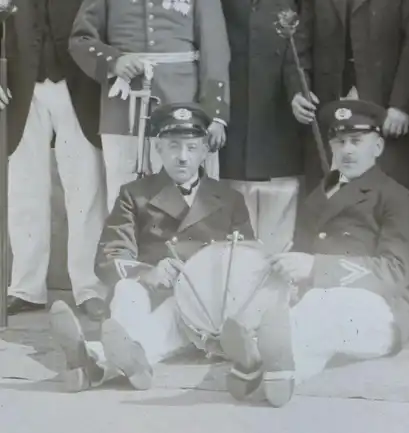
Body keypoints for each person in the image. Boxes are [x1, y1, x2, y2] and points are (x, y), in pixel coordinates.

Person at [220, 100, 409, 407]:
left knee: (324, 306)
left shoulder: (396, 197)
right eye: (339, 142)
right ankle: (278, 373)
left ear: (378, 146)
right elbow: (300, 255)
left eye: (357, 142)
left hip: (383, 312)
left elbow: (393, 272)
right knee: (314, 324)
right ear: (331, 147)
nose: (347, 151)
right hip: (320, 308)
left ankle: (258, 361)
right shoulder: (321, 193)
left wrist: (316, 268)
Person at [49, 103, 254, 392]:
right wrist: (146, 273)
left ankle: (94, 359)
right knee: (126, 289)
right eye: (173, 146)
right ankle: (122, 364)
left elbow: (247, 262)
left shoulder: (230, 199)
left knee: (173, 311)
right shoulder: (135, 194)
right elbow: (110, 255)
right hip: (149, 294)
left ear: (205, 150)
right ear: (158, 148)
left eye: (192, 147)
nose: (182, 157)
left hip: (200, 309)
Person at [289, 0, 409, 302]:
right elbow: (298, 45)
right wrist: (297, 92)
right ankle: (326, 291)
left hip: (388, 111)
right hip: (333, 112)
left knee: (394, 200)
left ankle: (403, 297)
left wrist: (401, 104)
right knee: (333, 202)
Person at [69, 0, 230, 212]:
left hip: (183, 109)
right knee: (124, 203)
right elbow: (80, 40)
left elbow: (215, 48)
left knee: (184, 203)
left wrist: (215, 115)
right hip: (122, 112)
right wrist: (114, 62)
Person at [1, 0, 107, 319]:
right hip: (20, 86)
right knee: (23, 189)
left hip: (79, 83)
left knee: (86, 189)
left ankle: (89, 288)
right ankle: (25, 287)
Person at [218, 0, 305, 254]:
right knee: (234, 239)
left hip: (280, 128)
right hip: (233, 126)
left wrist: (299, 90)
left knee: (279, 224)